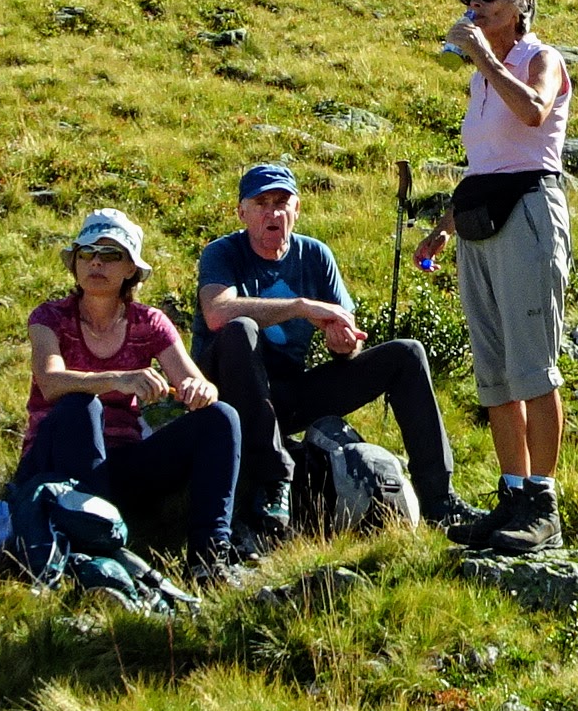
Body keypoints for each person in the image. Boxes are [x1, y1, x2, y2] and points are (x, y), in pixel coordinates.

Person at [198, 162, 482, 546]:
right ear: (241, 212)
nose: (272, 213)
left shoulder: (315, 255)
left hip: (286, 394)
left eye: (281, 202)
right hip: (227, 397)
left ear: (297, 209)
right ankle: (274, 479)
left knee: (407, 355)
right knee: (240, 329)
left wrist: (344, 344)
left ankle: (438, 500)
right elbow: (217, 313)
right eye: (261, 203)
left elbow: (347, 334)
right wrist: (300, 307)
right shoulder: (222, 253)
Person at [414, 0, 573, 558]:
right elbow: (487, 166)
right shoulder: (482, 77)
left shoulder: (539, 59)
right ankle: (512, 495)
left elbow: (533, 112)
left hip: (530, 215)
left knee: (532, 364)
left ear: (520, 4)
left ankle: (543, 504)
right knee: (496, 370)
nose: (474, 2)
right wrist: (444, 227)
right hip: (481, 221)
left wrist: (483, 56)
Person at [16, 209, 245, 580]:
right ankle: (92, 542)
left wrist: (200, 390)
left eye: (110, 254)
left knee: (221, 418)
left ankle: (208, 558)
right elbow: (51, 382)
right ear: (74, 263)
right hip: (54, 466)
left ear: (130, 270)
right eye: (87, 253)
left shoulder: (149, 322)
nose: (96, 262)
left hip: (118, 465)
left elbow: (199, 385)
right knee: (81, 406)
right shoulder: (49, 317)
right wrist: (116, 379)